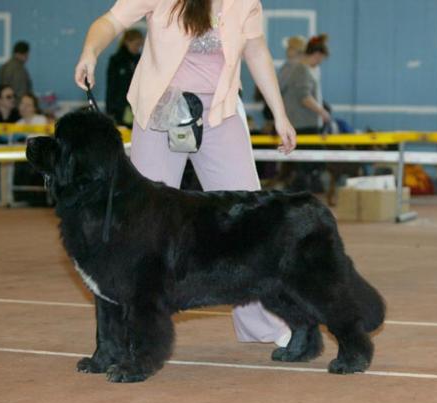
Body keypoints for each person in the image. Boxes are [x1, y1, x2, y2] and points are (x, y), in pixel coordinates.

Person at [74, 0, 295, 346]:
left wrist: (280, 114)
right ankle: (131, 322)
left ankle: (262, 324)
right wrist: (90, 50)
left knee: (250, 219)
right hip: (162, 109)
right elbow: (110, 21)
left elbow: (257, 50)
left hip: (220, 111)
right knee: (137, 224)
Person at [279, 34, 330, 191]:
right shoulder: (302, 70)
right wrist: (322, 112)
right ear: (316, 55)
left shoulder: (301, 69)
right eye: (320, 58)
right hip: (304, 123)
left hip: (302, 122)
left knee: (306, 165)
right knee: (308, 164)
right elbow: (304, 97)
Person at [106, 29, 144, 127]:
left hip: (137, 106)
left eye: (140, 45)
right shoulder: (116, 61)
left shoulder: (140, 60)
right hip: (120, 107)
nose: (138, 48)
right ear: (127, 42)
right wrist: (110, 110)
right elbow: (111, 86)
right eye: (136, 44)